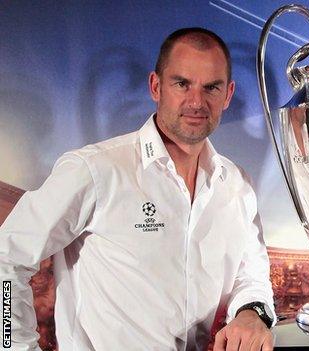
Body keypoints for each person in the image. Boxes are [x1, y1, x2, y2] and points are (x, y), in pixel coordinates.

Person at [0, 28, 275, 351]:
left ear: (227, 95)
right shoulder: (95, 169)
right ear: (156, 86)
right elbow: (8, 255)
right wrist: (15, 347)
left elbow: (252, 275)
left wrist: (251, 312)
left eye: (211, 87)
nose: (196, 101)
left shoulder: (237, 186)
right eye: (182, 83)